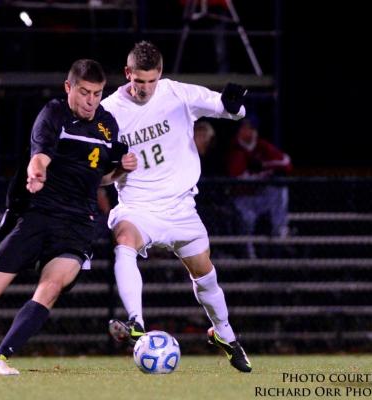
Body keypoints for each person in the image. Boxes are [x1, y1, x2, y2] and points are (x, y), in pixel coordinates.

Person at [0, 59, 137, 375]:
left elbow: (99, 177)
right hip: (39, 215)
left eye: (97, 93)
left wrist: (120, 169)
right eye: (84, 92)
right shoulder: (53, 115)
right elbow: (40, 155)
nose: (91, 101)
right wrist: (36, 173)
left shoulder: (108, 125)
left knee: (51, 287)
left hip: (79, 224)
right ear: (68, 88)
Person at [101, 40, 252, 373]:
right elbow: (97, 176)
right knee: (124, 240)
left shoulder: (177, 94)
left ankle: (225, 334)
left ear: (160, 75)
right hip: (139, 208)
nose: (144, 89)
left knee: (205, 274)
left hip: (182, 208)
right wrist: (116, 170)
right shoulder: (109, 111)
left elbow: (227, 108)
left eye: (151, 81)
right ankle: (136, 324)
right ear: (127, 73)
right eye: (138, 81)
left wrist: (234, 104)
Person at [226, 116, 293, 258]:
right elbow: (239, 179)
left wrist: (264, 166)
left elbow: (286, 162)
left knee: (279, 189)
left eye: (250, 128)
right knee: (247, 218)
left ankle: (279, 232)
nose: (247, 131)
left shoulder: (261, 146)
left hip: (259, 196)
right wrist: (261, 174)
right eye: (244, 128)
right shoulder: (235, 148)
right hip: (241, 199)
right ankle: (249, 257)